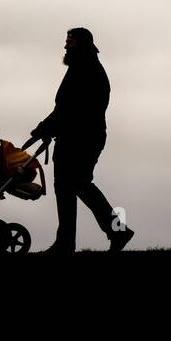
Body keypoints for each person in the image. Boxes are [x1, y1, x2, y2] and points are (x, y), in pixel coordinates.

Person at [30, 27, 135, 255]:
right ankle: (75, 240)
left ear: (82, 44)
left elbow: (69, 109)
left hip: (81, 138)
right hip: (79, 136)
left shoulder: (85, 69)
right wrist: (47, 128)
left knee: (76, 185)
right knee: (72, 186)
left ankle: (75, 240)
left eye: (70, 42)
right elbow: (66, 109)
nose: (66, 46)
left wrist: (45, 128)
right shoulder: (85, 67)